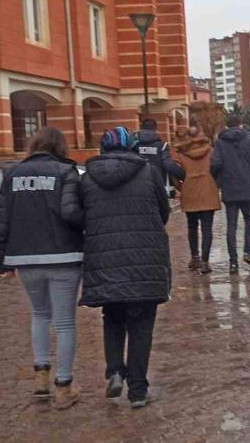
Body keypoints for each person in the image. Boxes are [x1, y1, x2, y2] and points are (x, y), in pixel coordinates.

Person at [80, 127, 170, 409]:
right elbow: (164, 211)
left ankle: (116, 371)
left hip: (105, 261)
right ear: (130, 146)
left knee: (113, 317)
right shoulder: (148, 172)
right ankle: (138, 391)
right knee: (142, 325)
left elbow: (80, 216)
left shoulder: (88, 177)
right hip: (145, 261)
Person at [0, 127, 84, 410]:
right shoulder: (66, 172)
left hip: (25, 257)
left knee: (40, 314)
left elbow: (3, 219)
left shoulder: (12, 174)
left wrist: (3, 260)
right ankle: (63, 385)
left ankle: (41, 377)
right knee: (65, 322)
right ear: (61, 146)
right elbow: (71, 212)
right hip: (63, 254)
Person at [210, 115, 250, 275]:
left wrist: (220, 180)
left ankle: (233, 262)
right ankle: (247, 252)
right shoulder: (249, 140)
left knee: (231, 225)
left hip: (229, 188)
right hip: (247, 187)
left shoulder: (220, 142)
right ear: (241, 125)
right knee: (249, 220)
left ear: (227, 126)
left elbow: (215, 164)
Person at [173, 121, 221, 275]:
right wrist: (215, 183)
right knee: (207, 228)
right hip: (208, 190)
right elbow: (217, 166)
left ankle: (195, 257)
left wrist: (180, 185)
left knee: (192, 226)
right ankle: (205, 262)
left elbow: (175, 171)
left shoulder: (182, 153)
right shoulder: (210, 150)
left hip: (190, 191)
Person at [134, 118, 186, 191]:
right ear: (155, 129)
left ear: (141, 128)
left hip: (138, 187)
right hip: (159, 187)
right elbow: (169, 165)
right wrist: (184, 176)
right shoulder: (162, 146)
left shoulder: (133, 145)